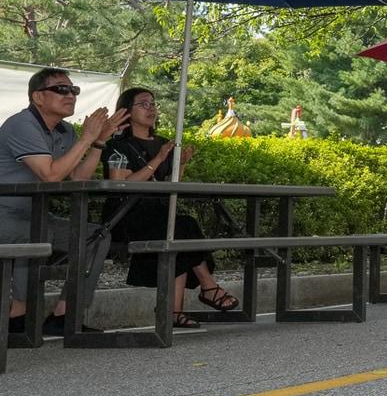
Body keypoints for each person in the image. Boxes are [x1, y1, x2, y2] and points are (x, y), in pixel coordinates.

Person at [0, 68, 126, 336]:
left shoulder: (65, 130)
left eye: (74, 90)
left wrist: (99, 142)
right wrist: (87, 138)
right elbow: (50, 176)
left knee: (96, 236)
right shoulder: (21, 125)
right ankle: (17, 314)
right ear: (38, 97)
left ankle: (64, 314)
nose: (71, 95)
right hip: (5, 215)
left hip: (35, 215)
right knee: (39, 236)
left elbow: (76, 177)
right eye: (61, 89)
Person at [100, 88, 237, 330]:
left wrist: (180, 165)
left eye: (153, 104)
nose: (151, 109)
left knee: (181, 226)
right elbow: (121, 184)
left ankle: (177, 309)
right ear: (127, 111)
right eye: (143, 104)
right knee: (179, 227)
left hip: (159, 213)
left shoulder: (163, 143)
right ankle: (207, 288)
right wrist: (158, 160)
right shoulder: (118, 145)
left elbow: (169, 186)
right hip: (127, 216)